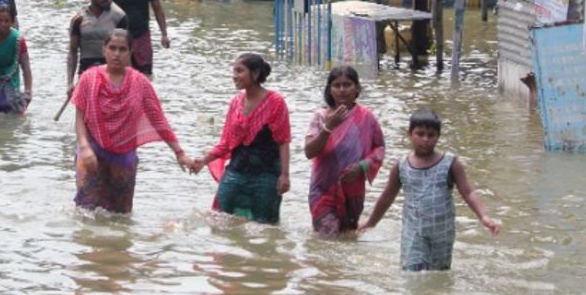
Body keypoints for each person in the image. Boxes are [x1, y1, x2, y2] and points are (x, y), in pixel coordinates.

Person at [359, 109, 501, 271]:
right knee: (412, 273)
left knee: (439, 274)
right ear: (409, 134)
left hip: (442, 232)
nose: (425, 139)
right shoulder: (401, 166)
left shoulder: (450, 164)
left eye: (431, 135)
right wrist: (371, 223)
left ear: (438, 137)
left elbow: (468, 192)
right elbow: (387, 197)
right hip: (414, 232)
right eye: (420, 134)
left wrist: (484, 216)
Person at [72, 29, 192, 213]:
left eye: (122, 49)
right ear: (104, 50)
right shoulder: (89, 78)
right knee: (85, 208)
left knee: (120, 213)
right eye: (112, 48)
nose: (117, 54)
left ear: (130, 52)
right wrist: (84, 146)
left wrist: (179, 153)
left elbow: (159, 120)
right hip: (92, 149)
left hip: (124, 154)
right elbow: (80, 116)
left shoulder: (140, 83)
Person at [189, 54, 290, 224]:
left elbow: (283, 141)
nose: (234, 75)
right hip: (236, 173)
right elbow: (226, 143)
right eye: (233, 70)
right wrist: (203, 161)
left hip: (266, 176)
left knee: (266, 229)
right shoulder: (236, 103)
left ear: (256, 74)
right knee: (219, 221)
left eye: (240, 71)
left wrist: (285, 175)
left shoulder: (276, 102)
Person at [303, 66, 385, 236]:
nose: (342, 90)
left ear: (357, 88)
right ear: (329, 89)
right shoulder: (320, 117)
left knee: (348, 237)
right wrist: (328, 127)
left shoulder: (366, 117)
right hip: (322, 188)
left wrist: (362, 166)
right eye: (337, 85)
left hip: (353, 189)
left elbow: (380, 148)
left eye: (347, 85)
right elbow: (309, 152)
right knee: (327, 237)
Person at [67, 0, 128, 95]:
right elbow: (73, 51)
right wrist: (70, 82)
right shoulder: (78, 19)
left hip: (112, 73)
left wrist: (127, 79)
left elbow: (126, 51)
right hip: (86, 73)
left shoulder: (119, 16)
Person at [110, 0, 170, 77]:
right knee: (124, 76)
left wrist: (164, 34)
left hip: (142, 37)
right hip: (122, 39)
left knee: (146, 75)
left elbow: (158, 10)